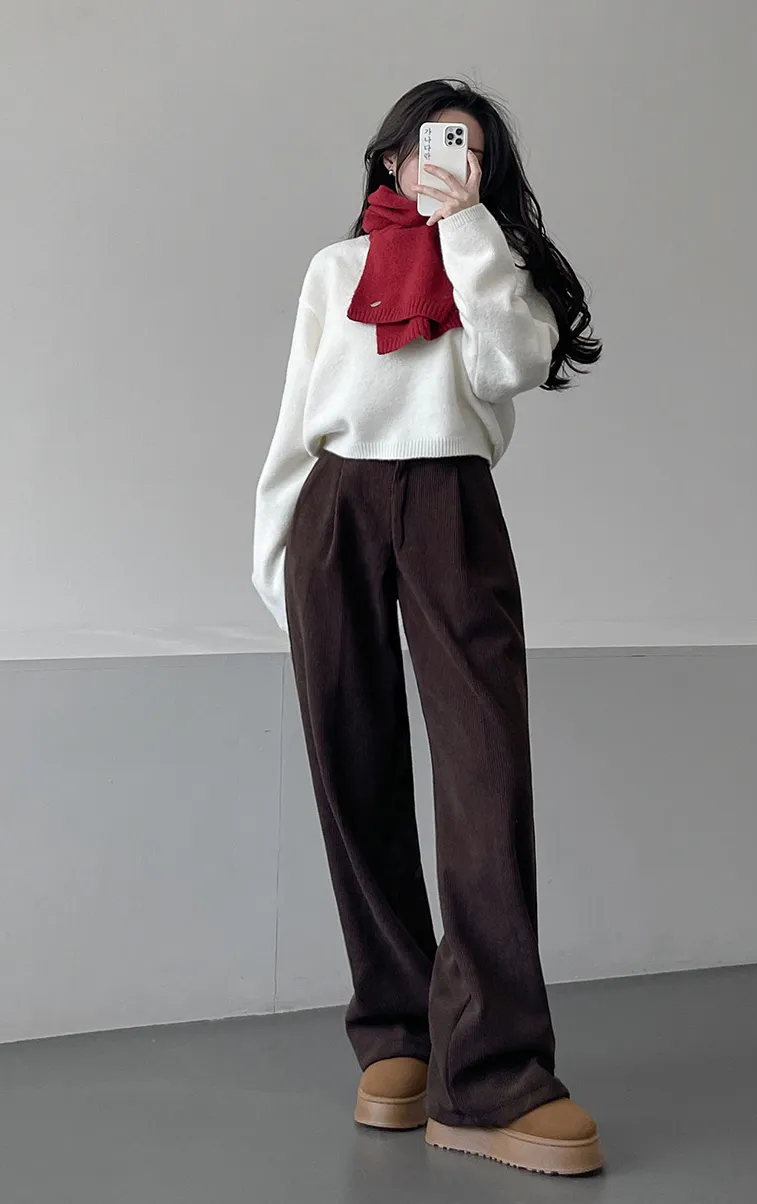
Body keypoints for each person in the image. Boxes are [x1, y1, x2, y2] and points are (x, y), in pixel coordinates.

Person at [252, 78, 603, 1177]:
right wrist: (277, 555)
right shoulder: (335, 269)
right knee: (351, 767)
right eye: (433, 145)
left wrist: (471, 235)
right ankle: (397, 1029)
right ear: (391, 159)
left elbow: (506, 366)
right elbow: (297, 414)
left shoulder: (494, 265)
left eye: (470, 151)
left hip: (451, 499)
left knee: (484, 772)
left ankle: (493, 1073)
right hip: (336, 505)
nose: (448, 162)